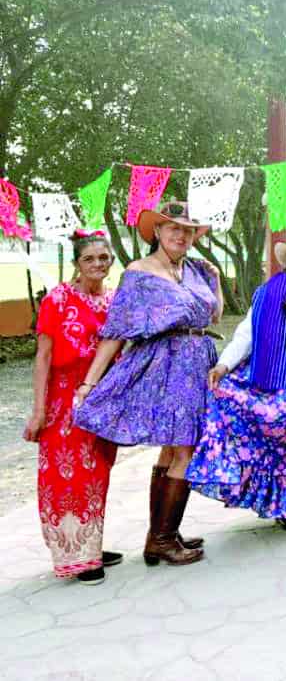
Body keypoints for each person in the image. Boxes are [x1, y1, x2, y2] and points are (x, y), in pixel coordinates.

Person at [74, 202, 222, 567]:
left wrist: (215, 279)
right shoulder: (139, 273)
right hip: (166, 365)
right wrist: (90, 383)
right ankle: (162, 539)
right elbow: (116, 331)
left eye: (188, 230)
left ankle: (160, 535)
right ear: (157, 231)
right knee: (185, 450)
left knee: (173, 451)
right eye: (173, 228)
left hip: (197, 361)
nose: (181, 235)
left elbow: (214, 316)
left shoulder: (196, 270)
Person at [188, 230, 286, 531]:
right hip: (281, 373)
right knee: (283, 434)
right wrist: (224, 365)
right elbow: (247, 334)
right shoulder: (271, 293)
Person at [24, 231, 122, 584]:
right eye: (89, 259)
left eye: (103, 258)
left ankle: (88, 546)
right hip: (64, 399)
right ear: (77, 264)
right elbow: (43, 357)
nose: (98, 264)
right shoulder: (58, 299)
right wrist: (39, 411)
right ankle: (76, 557)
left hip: (102, 399)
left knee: (97, 475)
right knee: (69, 478)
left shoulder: (114, 300)